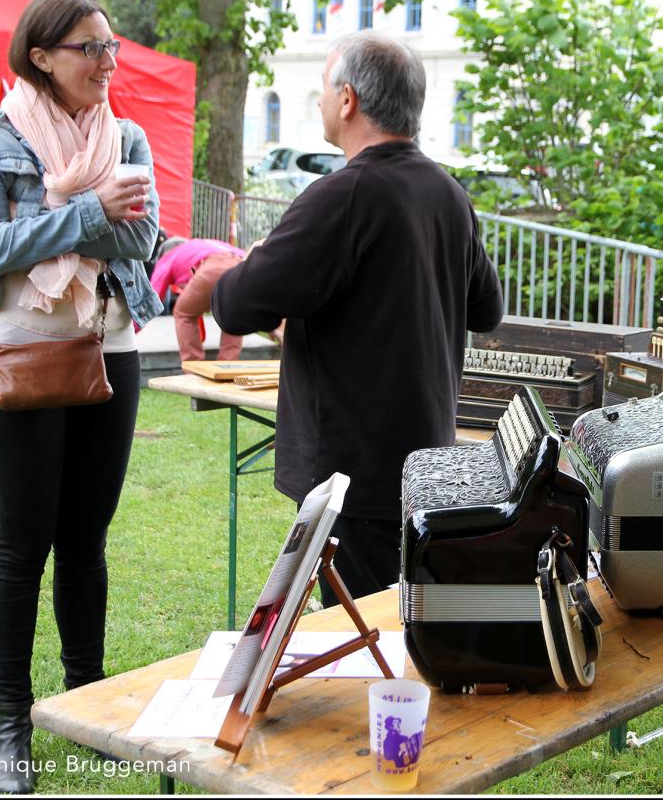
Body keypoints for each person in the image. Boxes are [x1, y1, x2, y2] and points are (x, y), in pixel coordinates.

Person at [0, 0, 161, 794]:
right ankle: (10, 720)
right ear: (41, 55)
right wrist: (83, 210)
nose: (107, 62)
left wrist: (69, 215)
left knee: (86, 543)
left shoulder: (129, 134)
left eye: (111, 47)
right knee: (19, 544)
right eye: (88, 48)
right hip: (16, 358)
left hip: (108, 352)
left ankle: (86, 700)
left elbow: (143, 239)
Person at [213, 32, 503, 607]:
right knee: (405, 631)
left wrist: (257, 265)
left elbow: (235, 303)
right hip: (424, 466)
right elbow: (486, 309)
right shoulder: (447, 193)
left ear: (347, 100)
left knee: (368, 645)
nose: (321, 100)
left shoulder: (343, 195)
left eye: (324, 88)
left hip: (353, 479)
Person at [148, 236, 247, 361]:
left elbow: (151, 298)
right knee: (233, 315)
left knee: (183, 313)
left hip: (214, 267)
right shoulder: (201, 245)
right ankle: (227, 367)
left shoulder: (169, 256)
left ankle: (194, 368)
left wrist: (131, 328)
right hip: (244, 265)